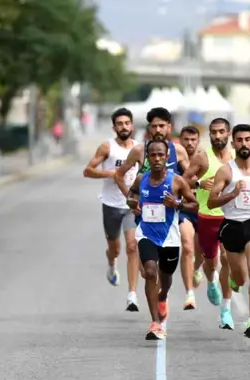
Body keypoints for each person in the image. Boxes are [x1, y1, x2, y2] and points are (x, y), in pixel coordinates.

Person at [126, 139, 198, 340]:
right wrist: (132, 202)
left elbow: (195, 205)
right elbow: (131, 195)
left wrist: (177, 204)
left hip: (170, 239)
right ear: (148, 157)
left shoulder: (177, 181)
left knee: (165, 280)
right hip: (146, 233)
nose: (157, 158)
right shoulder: (141, 179)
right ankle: (156, 323)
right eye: (153, 155)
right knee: (149, 272)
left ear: (167, 157)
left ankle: (163, 296)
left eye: (161, 155)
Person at [208, 124, 250, 339]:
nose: (244, 143)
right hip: (231, 226)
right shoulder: (226, 171)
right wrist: (232, 193)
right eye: (239, 140)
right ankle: (233, 280)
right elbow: (211, 202)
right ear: (233, 143)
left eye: (247, 139)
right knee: (241, 277)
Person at [83, 107, 140, 311]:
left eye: (127, 123)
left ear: (132, 125)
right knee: (115, 248)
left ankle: (132, 294)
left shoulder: (139, 149)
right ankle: (111, 262)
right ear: (114, 127)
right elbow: (88, 171)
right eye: (119, 124)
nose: (124, 127)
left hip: (131, 204)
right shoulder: (107, 147)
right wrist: (110, 174)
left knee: (132, 246)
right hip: (111, 205)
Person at [183, 118, 235, 329]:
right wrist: (198, 183)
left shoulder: (235, 158)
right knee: (211, 261)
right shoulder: (202, 159)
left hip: (230, 217)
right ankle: (211, 280)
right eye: (213, 132)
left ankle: (226, 309)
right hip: (207, 216)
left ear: (228, 133)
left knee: (227, 259)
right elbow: (182, 180)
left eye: (221, 131)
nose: (217, 136)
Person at [176, 126, 204, 310]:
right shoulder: (174, 159)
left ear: (198, 141)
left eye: (193, 139)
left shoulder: (204, 159)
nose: (189, 143)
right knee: (187, 245)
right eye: (186, 139)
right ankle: (189, 294)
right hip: (184, 208)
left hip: (202, 210)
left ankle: (195, 268)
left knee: (201, 252)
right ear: (180, 140)